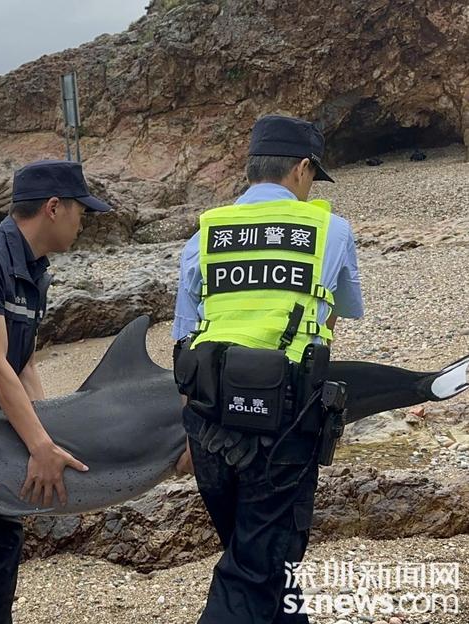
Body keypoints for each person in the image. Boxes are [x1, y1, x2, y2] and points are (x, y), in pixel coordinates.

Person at [172, 115, 364, 623]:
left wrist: (188, 436)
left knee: (261, 558)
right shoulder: (331, 230)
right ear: (302, 169)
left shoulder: (206, 234)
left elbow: (184, 338)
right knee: (254, 568)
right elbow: (346, 305)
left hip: (209, 422)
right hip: (282, 424)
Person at [0, 159, 112, 624]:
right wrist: (38, 445)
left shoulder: (36, 268)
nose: (84, 222)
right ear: (54, 208)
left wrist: (51, 434)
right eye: (81, 211)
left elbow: (25, 363)